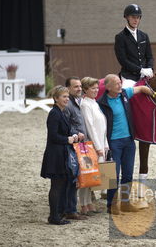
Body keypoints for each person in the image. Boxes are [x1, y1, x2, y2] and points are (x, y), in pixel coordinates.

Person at [97, 74, 156, 214]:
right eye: (116, 83)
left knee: (128, 174)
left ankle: (125, 203)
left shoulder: (124, 93)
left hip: (129, 140)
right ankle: (111, 205)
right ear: (108, 86)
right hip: (113, 143)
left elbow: (141, 88)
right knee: (113, 176)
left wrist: (154, 94)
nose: (120, 85)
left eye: (120, 82)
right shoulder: (101, 103)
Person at [41, 85, 78, 225]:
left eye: (68, 96)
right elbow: (53, 136)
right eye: (64, 96)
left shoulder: (62, 112)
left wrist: (73, 135)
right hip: (55, 155)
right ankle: (54, 216)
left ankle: (58, 213)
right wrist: (67, 139)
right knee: (56, 186)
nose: (67, 99)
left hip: (61, 153)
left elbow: (62, 132)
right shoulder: (54, 113)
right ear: (56, 98)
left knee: (61, 184)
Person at [79, 77, 108, 215]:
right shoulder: (85, 104)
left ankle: (89, 203)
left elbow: (102, 125)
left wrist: (105, 143)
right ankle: (83, 205)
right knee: (87, 176)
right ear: (85, 89)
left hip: (101, 144)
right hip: (91, 145)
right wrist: (97, 146)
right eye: (92, 88)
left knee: (93, 177)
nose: (96, 90)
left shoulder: (94, 103)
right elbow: (90, 127)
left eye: (97, 88)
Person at [62, 77, 88, 220]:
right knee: (72, 178)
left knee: (76, 177)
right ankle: (70, 210)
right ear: (68, 88)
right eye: (75, 87)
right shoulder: (68, 104)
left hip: (80, 143)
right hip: (72, 145)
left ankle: (71, 208)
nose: (79, 89)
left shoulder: (78, 101)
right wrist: (75, 133)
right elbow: (65, 124)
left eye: (80, 86)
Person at [114, 4, 154, 88]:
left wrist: (150, 68)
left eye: (138, 17)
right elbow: (123, 60)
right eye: (133, 17)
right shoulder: (120, 37)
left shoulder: (144, 36)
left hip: (145, 75)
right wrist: (140, 70)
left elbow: (149, 56)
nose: (136, 20)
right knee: (126, 91)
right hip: (129, 77)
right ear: (127, 17)